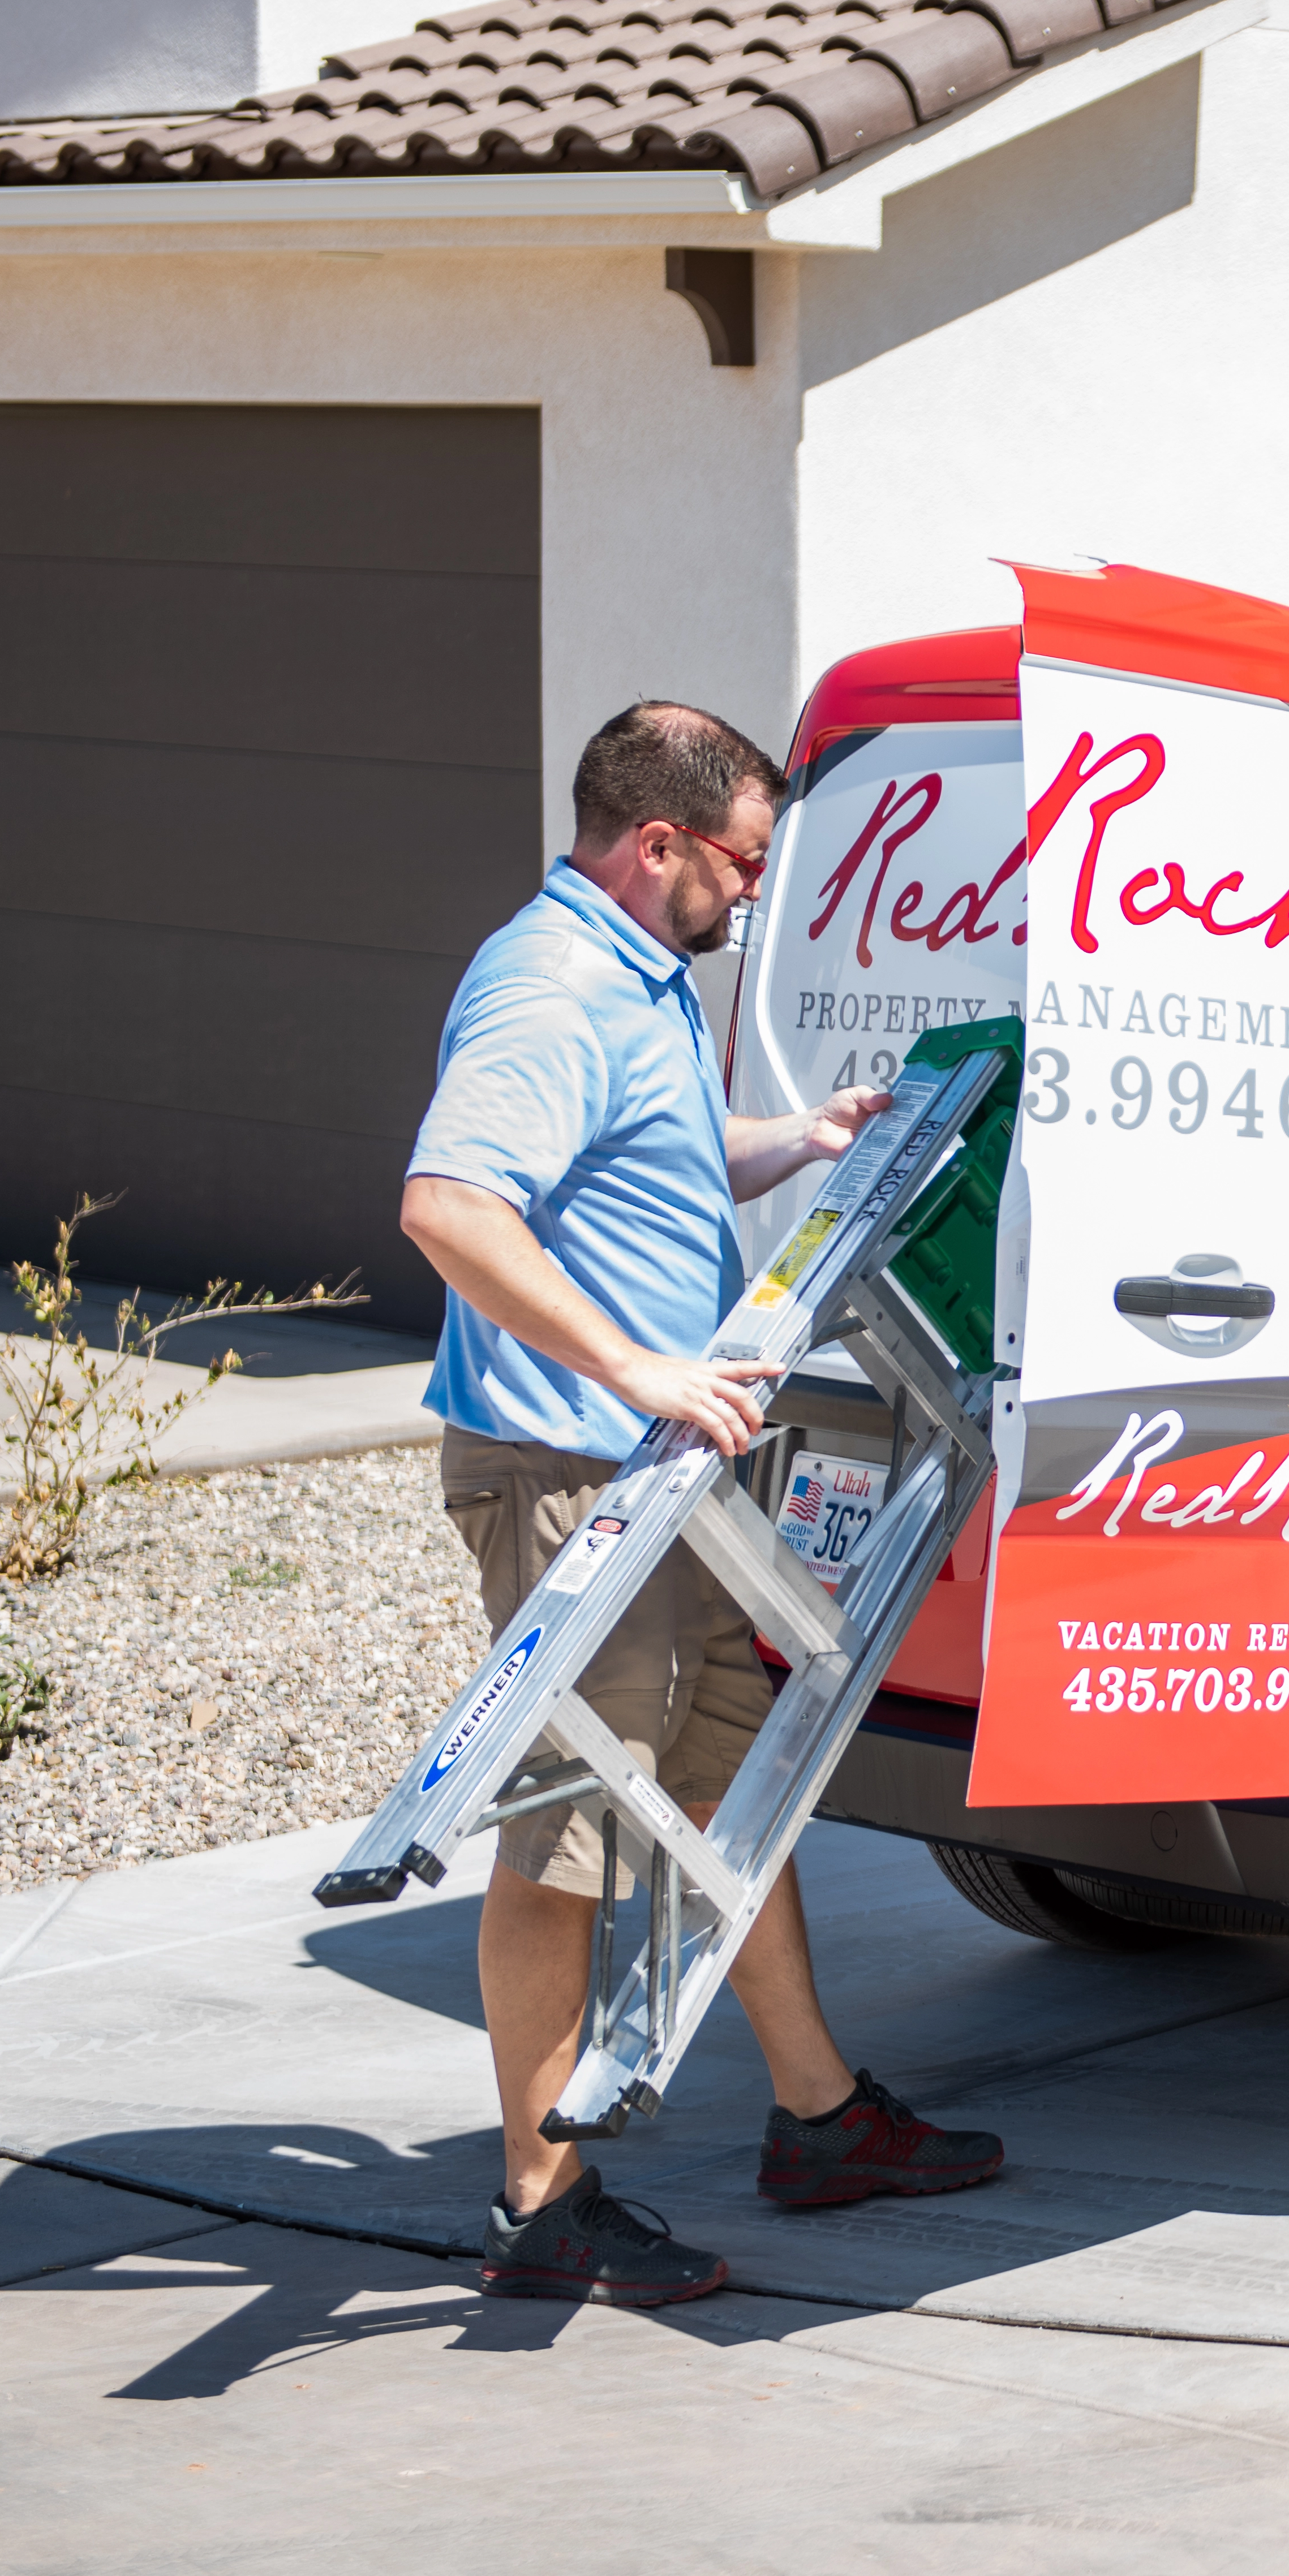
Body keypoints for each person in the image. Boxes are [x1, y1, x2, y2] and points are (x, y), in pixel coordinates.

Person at [402, 697, 1003, 2308]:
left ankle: (816, 2114)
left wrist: (792, 1140)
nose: (751, 898)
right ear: (656, 842)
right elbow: (452, 1208)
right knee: (570, 1826)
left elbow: (646, 1165)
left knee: (736, 1783)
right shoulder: (547, 989)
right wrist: (635, 1372)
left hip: (663, 1478)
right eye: (740, 866)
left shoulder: (636, 977)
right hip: (570, 1473)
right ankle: (541, 2198)